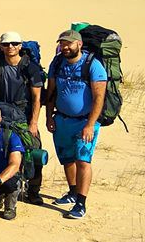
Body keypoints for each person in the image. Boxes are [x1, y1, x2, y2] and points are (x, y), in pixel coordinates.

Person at [43, 29, 108, 220]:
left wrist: (90, 125)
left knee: (83, 161)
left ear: (79, 44)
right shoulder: (57, 63)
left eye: (68, 44)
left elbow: (99, 98)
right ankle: (72, 191)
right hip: (62, 119)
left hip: (85, 122)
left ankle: (81, 202)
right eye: (62, 44)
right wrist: (49, 117)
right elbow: (51, 92)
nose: (65, 47)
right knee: (67, 158)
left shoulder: (93, 65)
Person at [0, 31, 44, 203]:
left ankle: (33, 191)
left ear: (20, 46)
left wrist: (33, 123)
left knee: (33, 150)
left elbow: (37, 98)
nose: (10, 47)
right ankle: (1, 188)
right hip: (0, 116)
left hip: (23, 117)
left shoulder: (30, 67)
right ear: (1, 47)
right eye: (6, 44)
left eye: (14, 44)